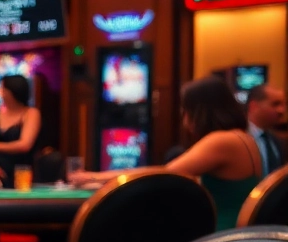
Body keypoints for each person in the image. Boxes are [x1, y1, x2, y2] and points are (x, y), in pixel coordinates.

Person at [70, 76, 262, 230]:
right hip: (234, 233)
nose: (183, 118)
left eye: (185, 110)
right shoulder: (242, 137)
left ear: (199, 111)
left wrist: (92, 176)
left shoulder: (221, 141)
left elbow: (162, 175)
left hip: (222, 237)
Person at [0, 75, 40, 182]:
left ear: (12, 91)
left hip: (22, 170)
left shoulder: (31, 113)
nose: (0, 93)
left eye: (2, 89)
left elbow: (25, 145)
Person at [246, 84, 285, 175]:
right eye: (275, 104)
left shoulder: (278, 141)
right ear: (254, 106)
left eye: (284, 104)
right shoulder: (238, 138)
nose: (282, 110)